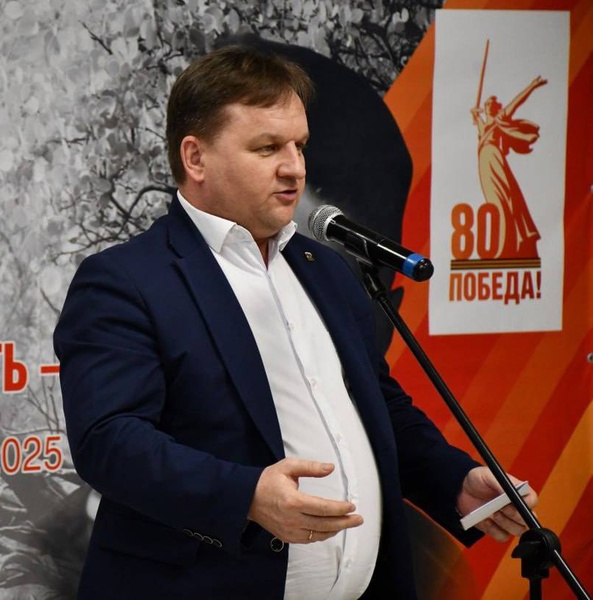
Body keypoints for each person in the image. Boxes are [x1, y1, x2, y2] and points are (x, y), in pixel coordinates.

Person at [54, 46, 537, 599]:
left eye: (299, 146)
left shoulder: (325, 270)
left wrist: (452, 480)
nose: (294, 168)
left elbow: (378, 407)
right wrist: (246, 496)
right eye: (267, 148)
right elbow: (110, 441)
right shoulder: (125, 280)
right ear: (196, 158)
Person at [470, 76, 547, 260]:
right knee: (493, 199)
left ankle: (513, 240)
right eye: (487, 103)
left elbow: (516, 101)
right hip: (484, 162)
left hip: (494, 158)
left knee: (505, 197)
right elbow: (475, 118)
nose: (489, 105)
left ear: (496, 108)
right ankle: (502, 243)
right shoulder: (483, 125)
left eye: (492, 103)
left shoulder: (500, 118)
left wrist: (531, 85)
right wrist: (474, 113)